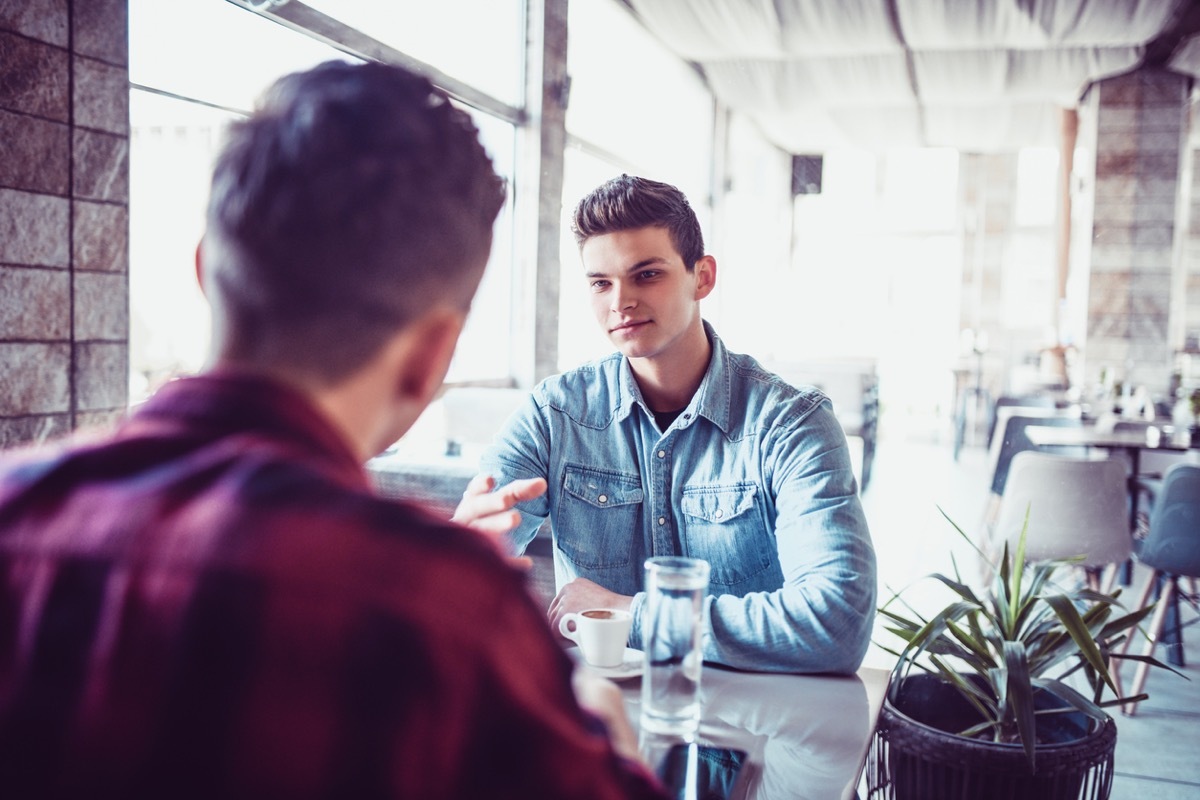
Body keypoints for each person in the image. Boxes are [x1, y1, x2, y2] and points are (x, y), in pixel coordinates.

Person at [0, 62, 665, 799]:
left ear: (205, 273)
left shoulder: (14, 509)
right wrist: (608, 727)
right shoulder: (444, 611)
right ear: (431, 356)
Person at [454, 175, 877, 673]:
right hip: (600, 726)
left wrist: (630, 614)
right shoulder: (555, 415)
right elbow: (457, 580)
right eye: (600, 283)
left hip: (752, 731)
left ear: (702, 277)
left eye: (647, 275)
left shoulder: (789, 425)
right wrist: (459, 557)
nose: (620, 302)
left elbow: (837, 623)